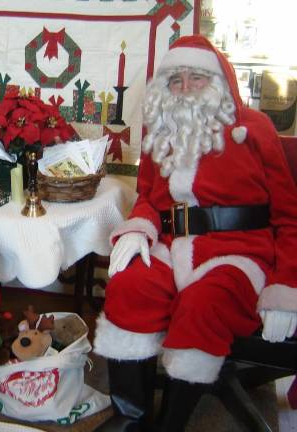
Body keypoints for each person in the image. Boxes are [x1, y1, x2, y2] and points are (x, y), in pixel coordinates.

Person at [92, 35, 297, 431]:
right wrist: (140, 228)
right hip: (171, 245)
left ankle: (171, 423)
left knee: (204, 303)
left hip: (239, 251)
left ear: (219, 80)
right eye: (175, 80)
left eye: (197, 79)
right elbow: (149, 197)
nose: (185, 88)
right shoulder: (161, 131)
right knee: (129, 284)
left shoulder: (255, 128)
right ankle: (131, 417)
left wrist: (287, 286)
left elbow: (289, 217)